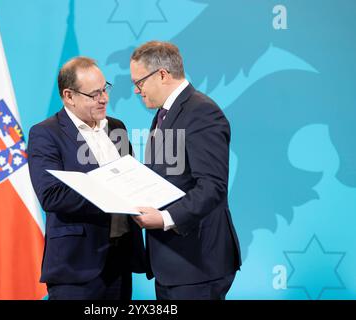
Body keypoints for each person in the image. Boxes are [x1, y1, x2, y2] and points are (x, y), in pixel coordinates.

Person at [130, 41, 241, 300]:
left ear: (162, 75)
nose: (136, 90)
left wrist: (166, 218)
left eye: (140, 82)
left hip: (197, 263)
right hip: (173, 264)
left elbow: (213, 186)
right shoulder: (164, 114)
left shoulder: (201, 111)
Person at [28, 57, 146, 300]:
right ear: (69, 96)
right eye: (94, 94)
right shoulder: (46, 133)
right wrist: (110, 188)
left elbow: (133, 178)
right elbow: (51, 196)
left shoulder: (117, 127)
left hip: (120, 260)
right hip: (76, 266)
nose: (104, 98)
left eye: (105, 89)